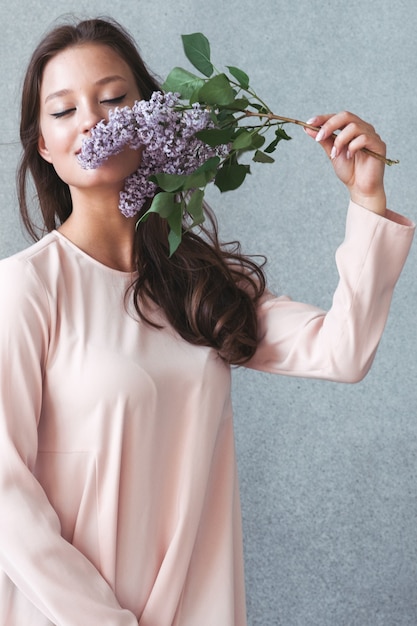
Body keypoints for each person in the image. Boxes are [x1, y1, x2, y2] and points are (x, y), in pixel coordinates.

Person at [0, 16, 414, 626]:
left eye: (114, 99)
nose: (92, 119)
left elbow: (343, 352)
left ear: (154, 116)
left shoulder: (199, 285)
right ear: (42, 143)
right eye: (63, 111)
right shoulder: (27, 287)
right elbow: (6, 494)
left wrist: (366, 198)